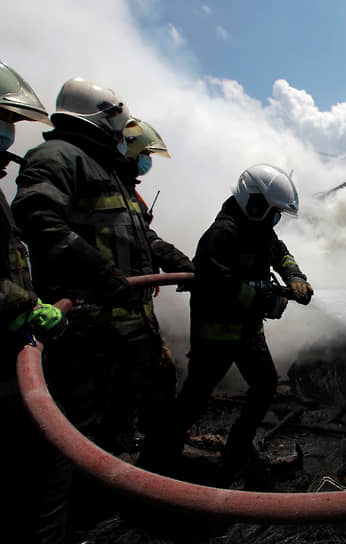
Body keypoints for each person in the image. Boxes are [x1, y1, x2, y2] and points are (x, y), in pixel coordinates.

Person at [12, 77, 190, 458]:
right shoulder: (59, 157)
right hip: (91, 329)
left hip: (133, 324)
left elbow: (140, 237)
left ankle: (152, 485)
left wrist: (178, 262)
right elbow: (36, 216)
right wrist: (101, 272)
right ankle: (99, 503)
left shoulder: (110, 173)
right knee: (91, 421)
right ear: (104, 119)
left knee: (149, 404)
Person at [141, 163, 313, 480]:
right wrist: (265, 300)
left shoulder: (260, 228)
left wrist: (294, 275)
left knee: (265, 385)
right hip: (216, 335)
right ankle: (157, 463)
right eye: (273, 212)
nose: (275, 220)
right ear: (255, 202)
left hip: (248, 331)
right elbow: (217, 284)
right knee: (195, 398)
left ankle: (235, 453)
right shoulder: (223, 233)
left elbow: (280, 252)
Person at [0, 59, 71, 544]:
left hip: (15, 348)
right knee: (38, 469)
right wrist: (22, 304)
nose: (10, 134)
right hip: (10, 352)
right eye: (5, 121)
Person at [114, 117, 195, 451]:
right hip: (99, 318)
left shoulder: (126, 193)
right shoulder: (93, 182)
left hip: (135, 313)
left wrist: (184, 265)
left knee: (158, 376)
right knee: (109, 390)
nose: (145, 162)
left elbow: (146, 239)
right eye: (143, 153)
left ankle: (153, 447)